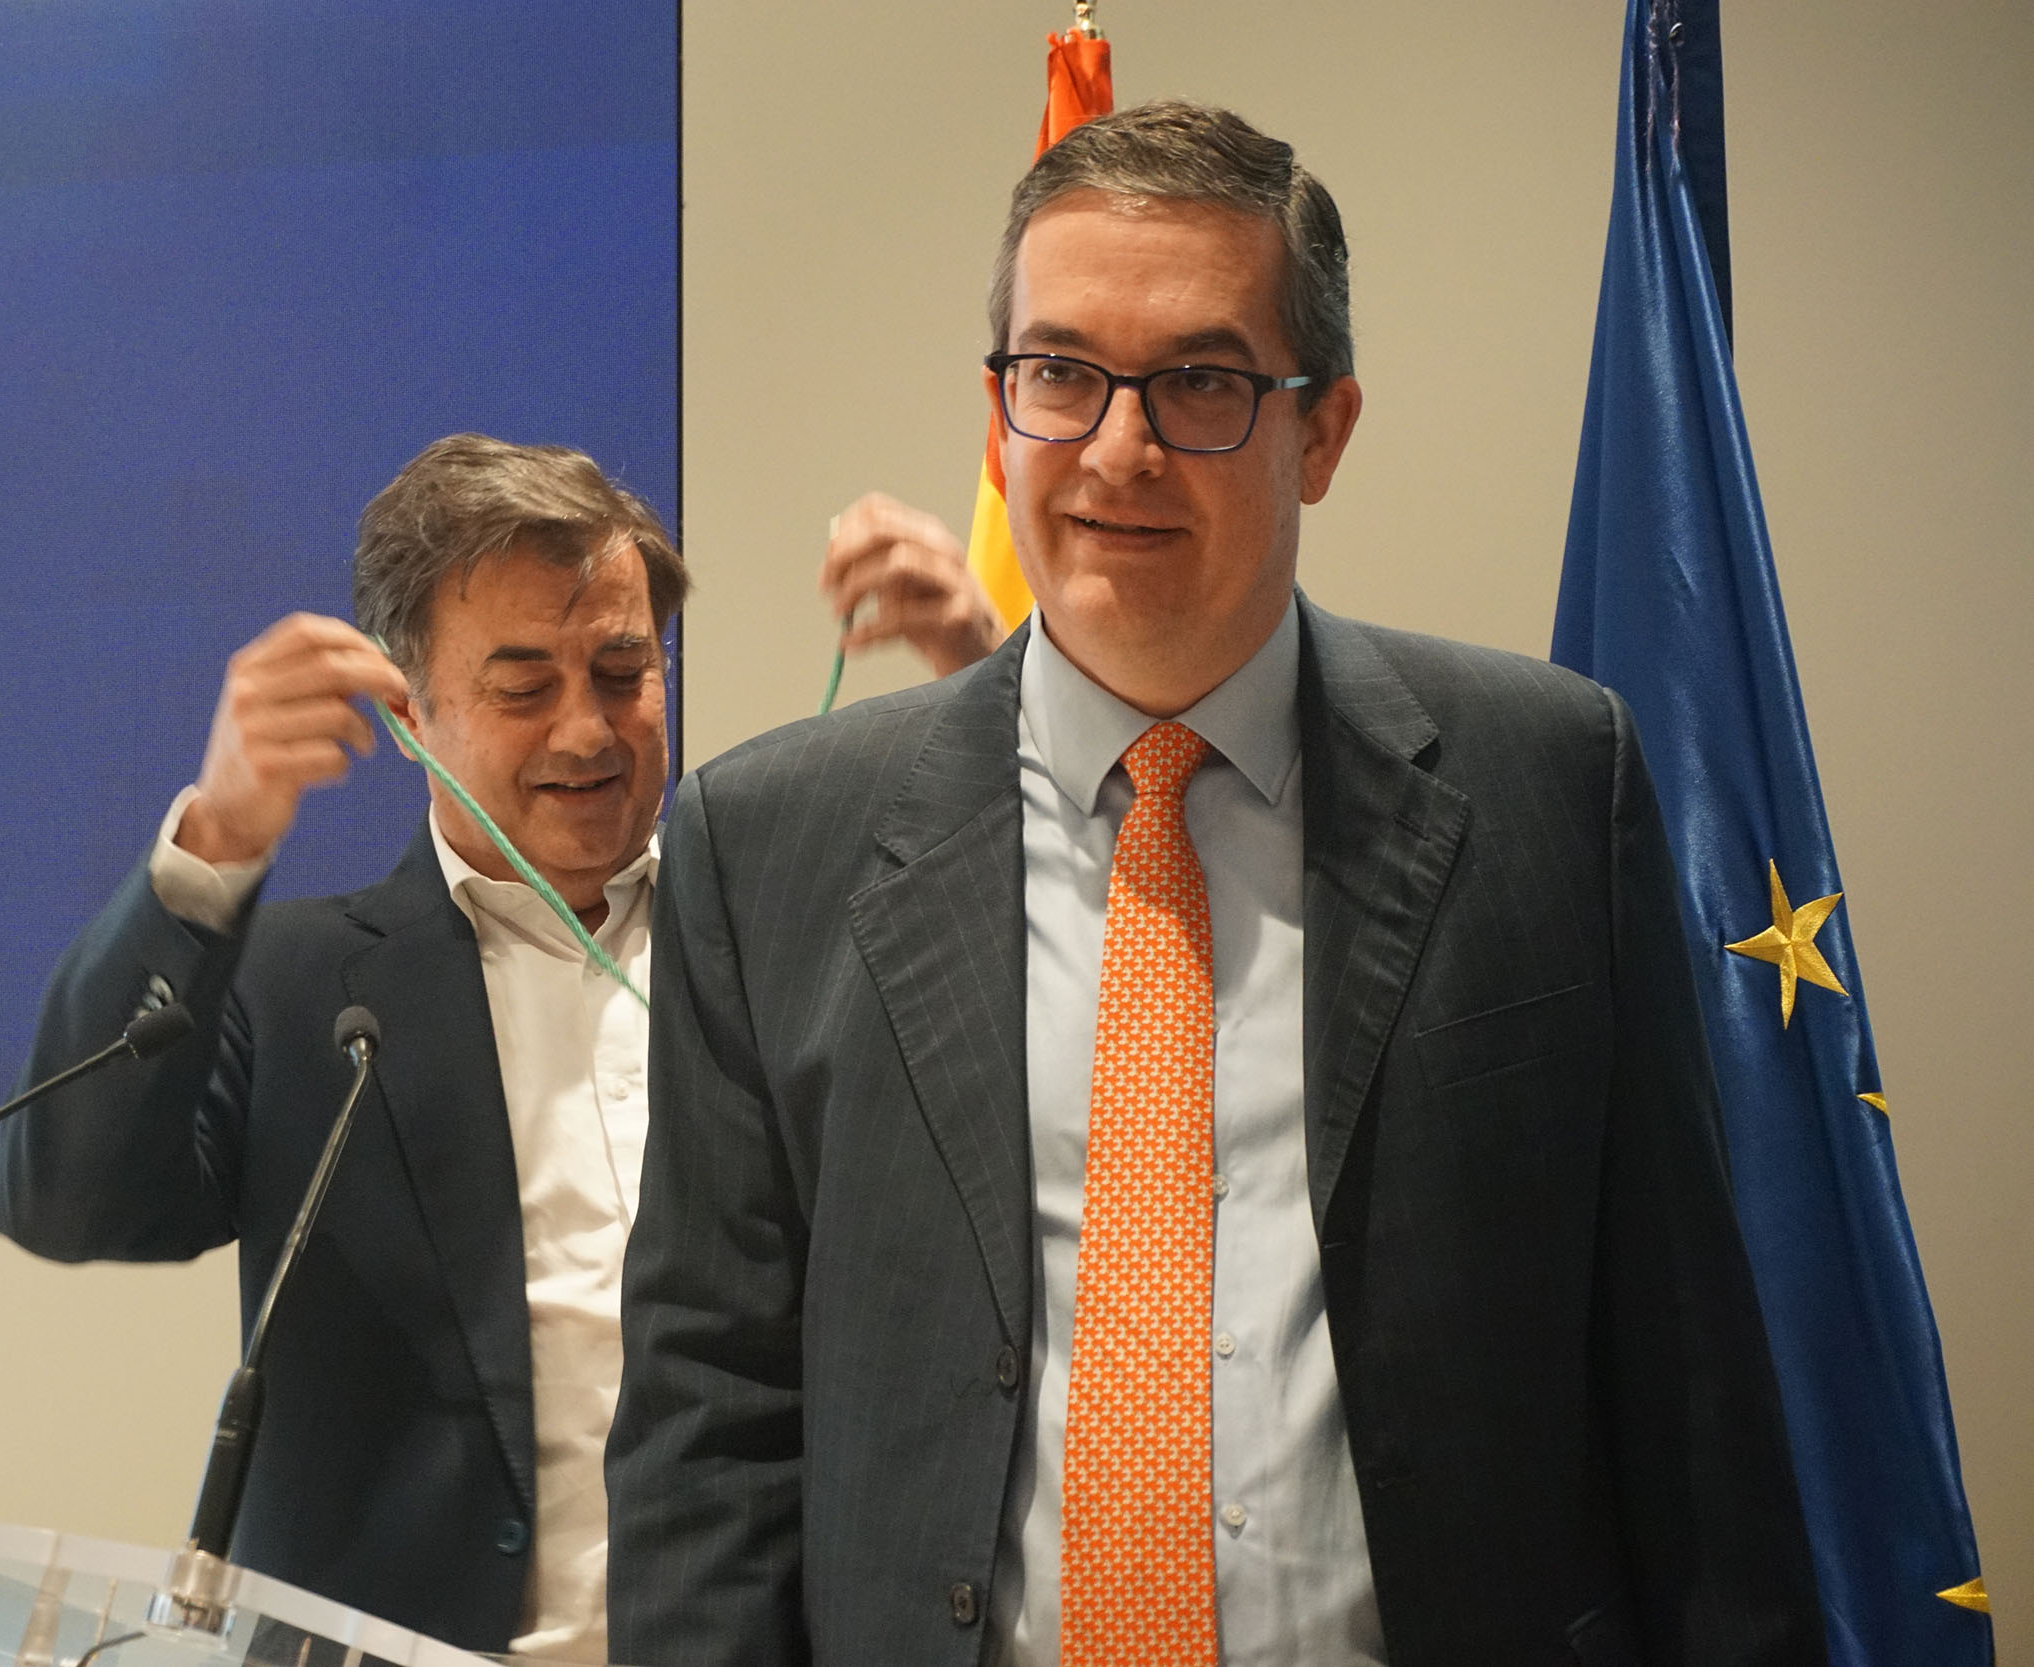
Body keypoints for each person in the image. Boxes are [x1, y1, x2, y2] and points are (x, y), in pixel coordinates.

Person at [608, 101, 1825, 1667]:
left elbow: (1690, 1399)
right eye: (1061, 373)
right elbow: (709, 1432)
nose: (1119, 448)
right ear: (999, 415)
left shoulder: (1549, 783)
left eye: (1200, 381)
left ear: (1323, 429)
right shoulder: (770, 843)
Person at [0, 434, 686, 1660]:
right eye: (523, 687)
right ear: (410, 714)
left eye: (623, 671)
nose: (587, 730)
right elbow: (67, 1201)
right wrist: (218, 839)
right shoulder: (299, 985)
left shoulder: (766, 943)